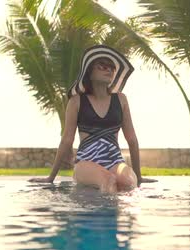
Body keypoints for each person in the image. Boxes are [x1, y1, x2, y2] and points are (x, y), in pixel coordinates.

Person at [30, 45, 154, 193]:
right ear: (89, 72)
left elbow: (132, 139)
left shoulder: (121, 100)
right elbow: (67, 140)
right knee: (109, 180)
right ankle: (105, 215)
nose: (108, 70)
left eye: (111, 68)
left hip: (115, 161)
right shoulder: (76, 101)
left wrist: (138, 178)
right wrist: (51, 178)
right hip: (86, 163)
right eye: (102, 66)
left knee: (128, 182)